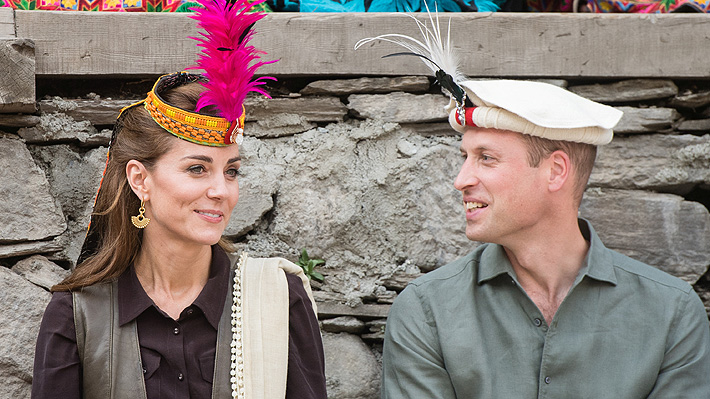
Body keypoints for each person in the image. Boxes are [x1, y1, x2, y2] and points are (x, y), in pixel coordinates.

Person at [356, 15, 710, 399]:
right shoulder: (427, 311)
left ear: (555, 171)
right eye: (465, 157)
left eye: (486, 158)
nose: (461, 180)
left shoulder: (672, 313)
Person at [32, 0, 327, 398]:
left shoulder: (277, 299)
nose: (221, 190)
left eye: (232, 170)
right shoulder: (77, 314)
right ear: (140, 179)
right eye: (197, 169)